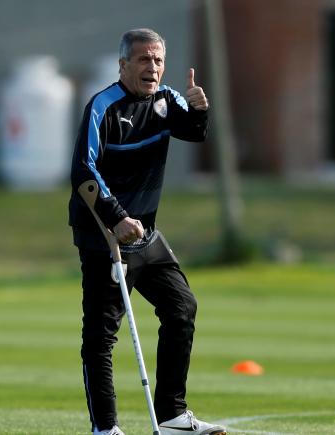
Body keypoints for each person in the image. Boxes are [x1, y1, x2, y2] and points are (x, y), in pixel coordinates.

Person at [68, 28, 227, 435]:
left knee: (182, 308)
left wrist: (199, 109)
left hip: (147, 235)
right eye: (142, 60)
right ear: (123, 65)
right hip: (104, 236)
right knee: (101, 337)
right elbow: (84, 172)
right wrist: (116, 218)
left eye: (157, 60)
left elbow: (194, 132)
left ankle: (172, 415)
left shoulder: (166, 99)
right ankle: (106, 429)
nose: (152, 67)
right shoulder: (102, 107)